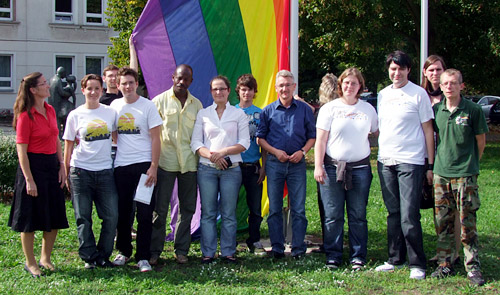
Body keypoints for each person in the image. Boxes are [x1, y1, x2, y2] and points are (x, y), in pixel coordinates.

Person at [375, 51, 435, 280]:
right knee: (393, 213)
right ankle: (395, 259)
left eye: (401, 68)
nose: (396, 73)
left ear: (409, 70)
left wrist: (430, 164)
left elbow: (428, 130)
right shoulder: (382, 95)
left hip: (411, 161)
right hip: (386, 161)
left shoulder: (419, 94)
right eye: (392, 68)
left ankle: (417, 263)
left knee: (409, 215)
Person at [314, 68, 378, 270]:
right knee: (333, 215)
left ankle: (358, 256)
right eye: (346, 83)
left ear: (361, 86)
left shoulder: (368, 109)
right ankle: (334, 255)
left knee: (358, 215)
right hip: (332, 169)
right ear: (340, 85)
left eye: (354, 83)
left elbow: (376, 133)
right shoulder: (329, 109)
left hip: (360, 169)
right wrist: (318, 166)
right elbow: (321, 141)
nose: (350, 86)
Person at [430, 69, 488, 286]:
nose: (449, 87)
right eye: (445, 83)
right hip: (441, 174)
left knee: (467, 223)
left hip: (465, 175)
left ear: (461, 86)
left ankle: (472, 267)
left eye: (453, 83)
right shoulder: (437, 110)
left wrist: (471, 165)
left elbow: (480, 142)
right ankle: (444, 263)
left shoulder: (473, 110)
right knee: (442, 222)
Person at [9, 72, 69, 277]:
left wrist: (61, 165)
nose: (48, 86)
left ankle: (46, 258)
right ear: (33, 90)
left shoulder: (50, 110)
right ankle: (30, 262)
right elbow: (21, 152)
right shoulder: (25, 116)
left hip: (51, 165)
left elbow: (55, 140)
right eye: (44, 84)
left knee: (54, 213)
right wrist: (29, 179)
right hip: (32, 167)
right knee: (30, 218)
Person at [256, 70, 316, 259]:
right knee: (274, 208)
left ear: (294, 87)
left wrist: (303, 152)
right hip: (275, 163)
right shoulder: (267, 111)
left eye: (288, 85)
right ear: (276, 88)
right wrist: (276, 152)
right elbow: (260, 139)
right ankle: (277, 249)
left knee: (298, 208)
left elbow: (312, 136)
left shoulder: (305, 109)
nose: (285, 88)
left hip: (297, 163)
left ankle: (298, 249)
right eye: (281, 85)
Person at [191, 75, 250, 264]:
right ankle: (208, 253)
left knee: (228, 213)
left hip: (231, 169)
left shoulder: (238, 114)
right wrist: (212, 156)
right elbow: (196, 142)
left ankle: (228, 252)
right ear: (211, 92)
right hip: (207, 169)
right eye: (215, 89)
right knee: (208, 213)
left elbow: (244, 143)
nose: (219, 92)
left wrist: (222, 152)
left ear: (228, 91)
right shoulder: (203, 114)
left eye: (222, 89)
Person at [63, 74, 119, 269]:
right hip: (80, 172)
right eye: (90, 88)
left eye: (97, 88)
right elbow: (68, 146)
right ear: (83, 90)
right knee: (83, 217)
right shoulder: (75, 115)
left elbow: (116, 138)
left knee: (111, 216)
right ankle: (89, 256)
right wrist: (67, 170)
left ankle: (103, 255)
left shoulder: (110, 113)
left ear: (102, 90)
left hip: (104, 171)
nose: (93, 92)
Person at [110, 67, 162, 272]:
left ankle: (143, 257)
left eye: (131, 83)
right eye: (124, 83)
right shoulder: (114, 106)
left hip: (144, 167)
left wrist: (153, 167)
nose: (127, 87)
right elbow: (114, 134)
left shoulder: (148, 106)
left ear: (137, 84)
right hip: (121, 166)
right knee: (123, 212)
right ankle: (123, 251)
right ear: (118, 85)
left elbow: (157, 138)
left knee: (144, 213)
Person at [150, 64, 203, 265]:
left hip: (189, 164)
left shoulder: (197, 105)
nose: (182, 82)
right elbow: (152, 135)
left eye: (186, 79)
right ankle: (155, 251)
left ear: (191, 81)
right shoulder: (159, 102)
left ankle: (181, 250)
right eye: (179, 78)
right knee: (160, 209)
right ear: (173, 77)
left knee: (187, 209)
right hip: (165, 162)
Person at [421, 55, 462, 265]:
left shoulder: (451, 95)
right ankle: (442, 249)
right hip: (424, 157)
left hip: (449, 158)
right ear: (425, 73)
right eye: (431, 70)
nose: (435, 74)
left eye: (438, 70)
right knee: (439, 208)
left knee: (454, 209)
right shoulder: (420, 95)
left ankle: (455, 251)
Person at [234, 74, 267, 254]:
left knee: (255, 207)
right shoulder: (231, 111)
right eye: (243, 89)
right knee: (230, 205)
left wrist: (264, 166)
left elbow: (264, 142)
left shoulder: (260, 114)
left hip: (253, 166)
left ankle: (254, 240)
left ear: (255, 92)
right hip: (234, 166)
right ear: (238, 91)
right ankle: (229, 242)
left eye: (250, 90)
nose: (247, 93)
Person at [313, 73, 339, 254]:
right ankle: (331, 241)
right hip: (326, 161)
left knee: (328, 206)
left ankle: (330, 242)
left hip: (328, 161)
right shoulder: (329, 109)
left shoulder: (329, 109)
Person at [48, 67, 75, 137]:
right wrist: (69, 93)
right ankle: (59, 137)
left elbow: (58, 89)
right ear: (62, 73)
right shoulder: (58, 80)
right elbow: (62, 93)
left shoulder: (52, 79)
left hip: (51, 102)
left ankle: (59, 136)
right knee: (58, 120)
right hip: (57, 103)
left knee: (56, 119)